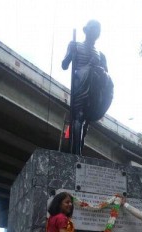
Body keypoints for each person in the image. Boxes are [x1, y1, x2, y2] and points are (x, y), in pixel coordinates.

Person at [61, 19, 113, 155]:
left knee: (86, 121)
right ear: (86, 30)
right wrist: (70, 53)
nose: (96, 31)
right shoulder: (75, 45)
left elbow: (106, 73)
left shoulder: (101, 55)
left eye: (98, 29)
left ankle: (80, 146)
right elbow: (64, 65)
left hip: (95, 87)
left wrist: (100, 66)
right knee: (78, 117)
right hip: (81, 83)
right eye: (93, 28)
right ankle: (76, 152)